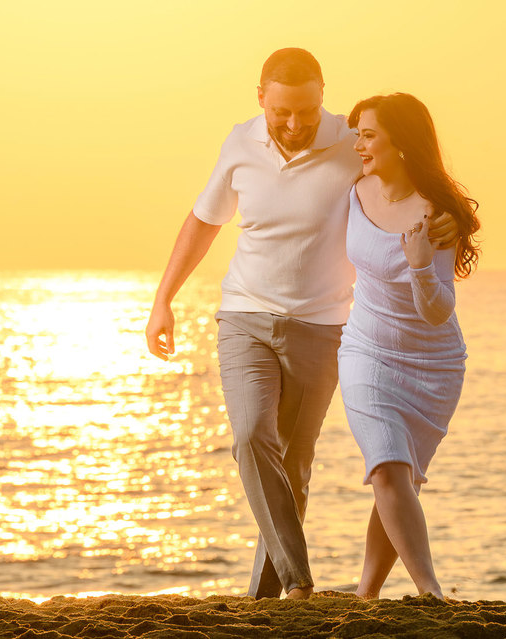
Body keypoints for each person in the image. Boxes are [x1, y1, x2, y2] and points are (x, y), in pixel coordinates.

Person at [144, 49, 455, 600]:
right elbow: (203, 220)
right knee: (249, 437)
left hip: (321, 324)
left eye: (306, 112)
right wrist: (162, 299)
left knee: (294, 463)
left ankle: (268, 599)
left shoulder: (351, 142)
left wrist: (448, 218)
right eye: (281, 111)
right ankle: (298, 582)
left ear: (322, 96)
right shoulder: (239, 144)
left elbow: (406, 175)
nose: (293, 124)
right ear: (260, 96)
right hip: (245, 314)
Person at [338, 92, 480, 600]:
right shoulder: (353, 191)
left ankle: (366, 594)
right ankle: (431, 591)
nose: (358, 144)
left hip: (433, 365)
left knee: (398, 481)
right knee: (388, 467)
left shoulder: (434, 214)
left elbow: (439, 309)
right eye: (358, 133)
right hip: (364, 351)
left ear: (402, 144)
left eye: (369, 135)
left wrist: (420, 263)